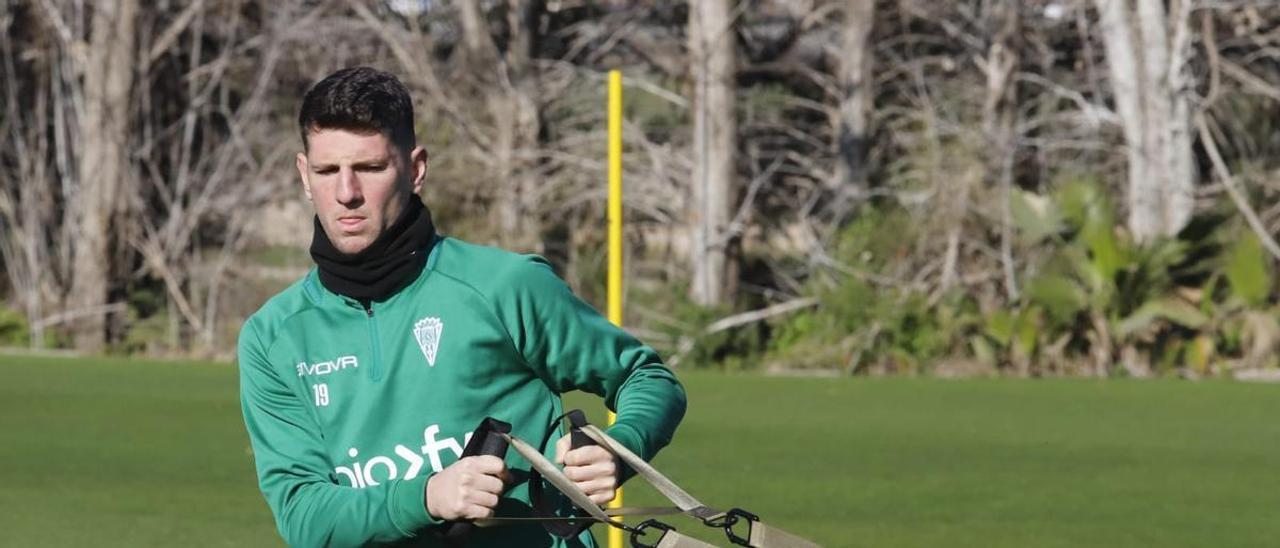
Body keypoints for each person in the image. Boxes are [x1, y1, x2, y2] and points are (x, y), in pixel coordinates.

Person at [238, 66, 687, 548]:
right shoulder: (273, 337)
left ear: (416, 169)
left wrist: (621, 448)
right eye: (328, 171)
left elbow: (647, 378)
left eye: (370, 168)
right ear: (305, 176)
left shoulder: (504, 286)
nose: (347, 193)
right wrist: (429, 496)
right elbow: (305, 518)